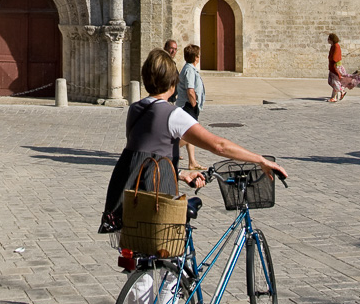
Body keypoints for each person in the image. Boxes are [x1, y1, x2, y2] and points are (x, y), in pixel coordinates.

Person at [101, 48, 286, 235]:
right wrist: (261, 160)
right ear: (173, 83)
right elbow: (218, 146)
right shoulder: (173, 115)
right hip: (156, 198)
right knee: (167, 248)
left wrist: (181, 174)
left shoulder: (135, 109)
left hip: (128, 198)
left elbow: (145, 156)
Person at [175, 44, 207, 173]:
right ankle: (168, 151)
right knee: (189, 134)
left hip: (188, 105)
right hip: (187, 106)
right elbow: (190, 90)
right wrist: (194, 105)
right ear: (196, 57)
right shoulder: (189, 70)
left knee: (190, 132)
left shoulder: (190, 69)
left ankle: (192, 162)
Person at [327, 32, 360, 103]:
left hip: (335, 66)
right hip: (332, 66)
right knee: (331, 81)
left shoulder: (336, 46)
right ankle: (340, 92)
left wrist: (335, 67)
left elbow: (335, 58)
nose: (327, 40)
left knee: (335, 82)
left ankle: (337, 95)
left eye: (328, 39)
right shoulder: (333, 46)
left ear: (331, 39)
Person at [163, 39, 179, 104]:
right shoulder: (163, 63)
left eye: (175, 49)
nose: (173, 51)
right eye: (171, 48)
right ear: (165, 48)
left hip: (172, 98)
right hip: (166, 99)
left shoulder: (172, 63)